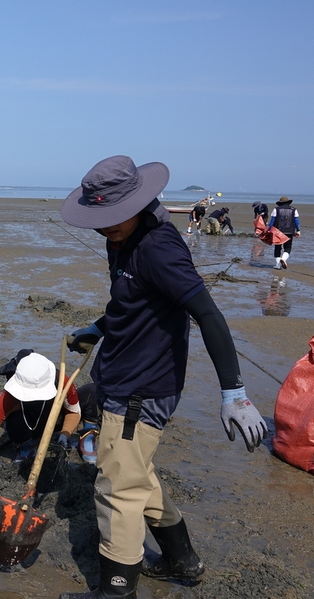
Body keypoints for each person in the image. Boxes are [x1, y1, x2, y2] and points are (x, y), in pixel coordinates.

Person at [58, 156, 268, 599]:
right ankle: (181, 560)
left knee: (116, 490)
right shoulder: (122, 236)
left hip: (141, 389)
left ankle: (117, 592)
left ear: (137, 202)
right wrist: (97, 329)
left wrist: (235, 393)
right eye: (100, 220)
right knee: (135, 475)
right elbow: (130, 301)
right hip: (122, 374)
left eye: (111, 220)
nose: (104, 228)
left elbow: (208, 314)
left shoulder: (160, 249)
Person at [0, 350, 82, 484]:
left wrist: (65, 434)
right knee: (15, 423)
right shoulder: (9, 397)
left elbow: (74, 412)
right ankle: (26, 447)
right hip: (25, 425)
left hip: (53, 421)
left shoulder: (62, 381)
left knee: (90, 395)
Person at [268, 196, 301, 269]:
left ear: (280, 203)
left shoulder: (276, 209)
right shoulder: (294, 209)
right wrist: (298, 230)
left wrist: (269, 230)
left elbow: (272, 221)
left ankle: (277, 265)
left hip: (278, 232)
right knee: (288, 248)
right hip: (289, 231)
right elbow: (296, 221)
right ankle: (284, 259)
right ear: (288, 202)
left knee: (277, 248)